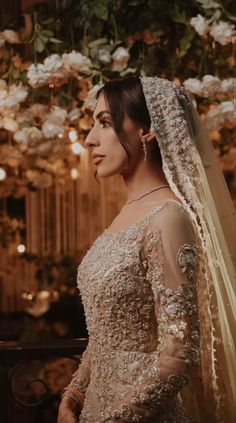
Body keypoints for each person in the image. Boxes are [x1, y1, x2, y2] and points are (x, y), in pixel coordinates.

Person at [57, 77, 236, 423]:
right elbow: (106, 334)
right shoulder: (127, 214)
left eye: (105, 123)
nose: (89, 138)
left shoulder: (167, 219)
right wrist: (75, 394)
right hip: (95, 408)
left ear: (148, 130)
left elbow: (179, 353)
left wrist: (112, 420)